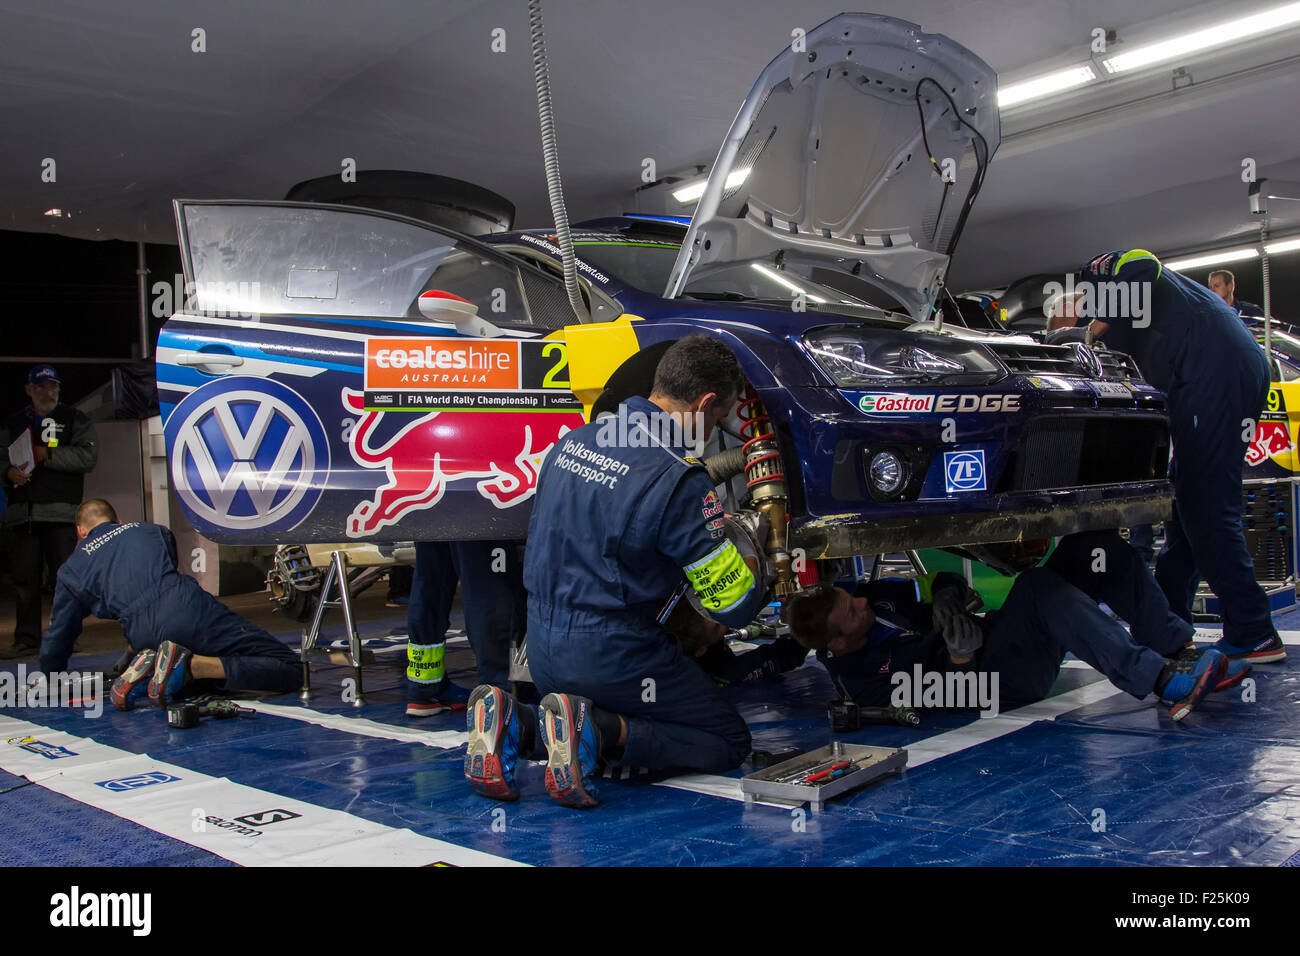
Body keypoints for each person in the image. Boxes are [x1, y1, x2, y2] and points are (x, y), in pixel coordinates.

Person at [463, 334, 766, 808]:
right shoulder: (677, 478)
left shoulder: (572, 443)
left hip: (540, 649)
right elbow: (731, 605)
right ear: (706, 403)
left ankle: (516, 720)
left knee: (583, 699)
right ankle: (597, 728)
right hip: (613, 655)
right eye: (717, 418)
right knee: (726, 739)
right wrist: (757, 563)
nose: (712, 432)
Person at [1071, 250, 1285, 665]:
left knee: (1206, 508)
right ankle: (1168, 625)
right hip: (1213, 374)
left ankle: (1254, 630)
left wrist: (1097, 324)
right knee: (1184, 510)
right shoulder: (1129, 331)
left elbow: (1140, 262)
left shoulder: (1107, 279)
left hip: (1216, 373)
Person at [785, 532, 1249, 721]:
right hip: (998, 679)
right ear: (840, 642)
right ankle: (1163, 682)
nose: (863, 601)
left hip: (999, 636)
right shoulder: (864, 683)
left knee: (1094, 547)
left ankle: (1174, 648)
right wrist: (962, 659)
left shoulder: (875, 603)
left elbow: (935, 583)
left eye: (854, 597)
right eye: (852, 611)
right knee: (1038, 586)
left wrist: (947, 594)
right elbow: (958, 697)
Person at [37, 499, 301, 709]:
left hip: (142, 633)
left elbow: (59, 634)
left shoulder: (71, 569)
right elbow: (155, 584)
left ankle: (155, 667)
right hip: (188, 607)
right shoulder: (151, 530)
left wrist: (52, 678)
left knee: (196, 685)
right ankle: (192, 665)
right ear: (118, 521)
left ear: (80, 532)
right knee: (291, 669)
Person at [2, 364, 98, 659]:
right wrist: (7, 472)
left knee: (63, 580)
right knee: (25, 581)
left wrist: (48, 454)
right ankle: (27, 639)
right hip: (23, 514)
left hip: (60, 512)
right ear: (29, 389)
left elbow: (88, 456)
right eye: (41, 386)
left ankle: (65, 637)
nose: (48, 392)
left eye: (53, 386)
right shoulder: (14, 421)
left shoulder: (74, 418)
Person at [403, 539, 526, 717]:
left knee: (431, 578)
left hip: (429, 513)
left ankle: (424, 686)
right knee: (487, 581)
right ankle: (499, 691)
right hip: (477, 513)